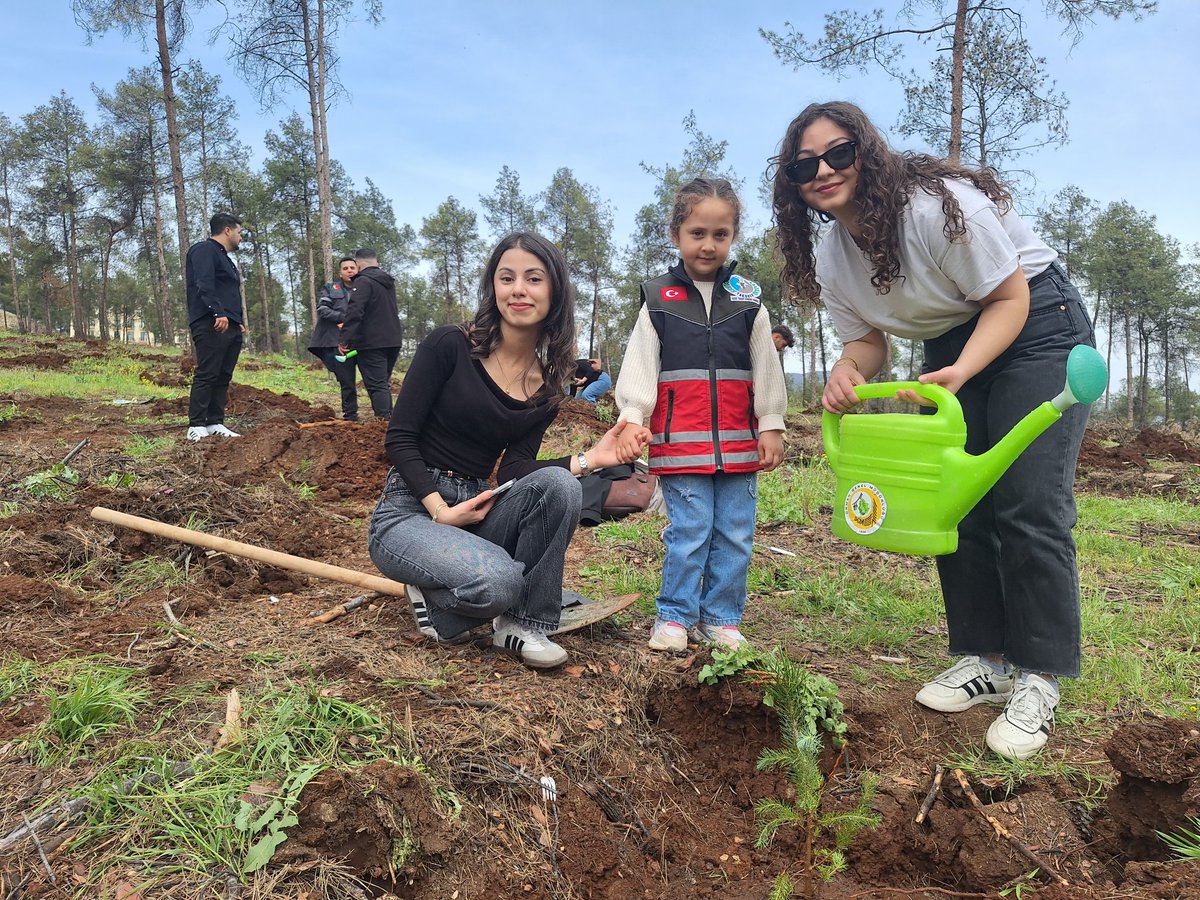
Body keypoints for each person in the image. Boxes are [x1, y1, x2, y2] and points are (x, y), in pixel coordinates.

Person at [771, 101, 1095, 759]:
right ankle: (988, 660)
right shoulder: (833, 255)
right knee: (957, 503)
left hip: (1034, 325)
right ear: (793, 182)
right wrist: (843, 373)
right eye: (806, 164)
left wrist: (961, 369)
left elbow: (1010, 299)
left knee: (1027, 503)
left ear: (867, 151)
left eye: (839, 153)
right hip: (951, 346)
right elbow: (866, 344)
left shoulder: (934, 208)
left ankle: (1039, 679)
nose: (824, 170)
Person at [367, 232, 640, 670]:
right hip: (410, 512)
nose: (518, 289)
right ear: (493, 287)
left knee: (559, 486)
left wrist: (593, 460)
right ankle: (455, 602)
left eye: (533, 278)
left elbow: (517, 467)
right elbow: (399, 438)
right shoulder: (449, 345)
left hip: (475, 507)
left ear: (554, 291)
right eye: (506, 277)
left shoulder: (549, 386)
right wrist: (439, 509)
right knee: (500, 581)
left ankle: (520, 624)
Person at [615, 177, 788, 652]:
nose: (708, 244)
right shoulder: (657, 299)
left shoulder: (749, 300)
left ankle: (721, 618)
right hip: (679, 440)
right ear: (676, 235)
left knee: (735, 533)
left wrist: (771, 424)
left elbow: (766, 366)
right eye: (697, 233)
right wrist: (634, 415)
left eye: (720, 233)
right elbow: (641, 363)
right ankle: (674, 616)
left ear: (732, 235)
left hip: (740, 443)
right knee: (689, 532)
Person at [185, 213, 246, 441]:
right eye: (239, 232)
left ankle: (214, 422)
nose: (241, 238)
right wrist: (217, 312)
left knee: (223, 374)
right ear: (227, 230)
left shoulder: (225, 259)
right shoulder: (204, 250)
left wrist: (237, 321)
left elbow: (228, 292)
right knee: (208, 372)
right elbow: (204, 283)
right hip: (211, 321)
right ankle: (196, 424)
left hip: (229, 324)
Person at [339, 248, 402, 418]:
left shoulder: (363, 281)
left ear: (358, 264)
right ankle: (389, 419)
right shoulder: (387, 282)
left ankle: (384, 423)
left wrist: (344, 339)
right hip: (393, 339)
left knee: (376, 385)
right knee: (382, 384)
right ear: (377, 262)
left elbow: (355, 311)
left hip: (372, 342)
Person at [308, 256, 361, 421]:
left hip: (363, 342)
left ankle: (382, 415)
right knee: (346, 380)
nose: (349, 270)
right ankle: (350, 415)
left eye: (352, 267)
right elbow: (323, 309)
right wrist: (343, 318)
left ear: (358, 269)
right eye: (345, 268)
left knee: (374, 380)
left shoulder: (365, 288)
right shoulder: (332, 288)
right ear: (340, 272)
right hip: (338, 343)